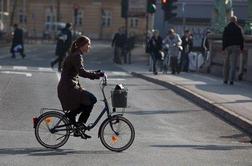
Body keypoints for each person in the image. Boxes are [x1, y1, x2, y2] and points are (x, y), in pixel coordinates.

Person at [57, 35, 104, 139]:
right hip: (68, 88)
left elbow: (80, 71)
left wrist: (96, 73)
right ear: (82, 45)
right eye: (88, 44)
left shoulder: (76, 54)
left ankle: (76, 123)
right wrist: (96, 76)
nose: (89, 47)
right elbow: (82, 72)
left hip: (69, 86)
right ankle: (77, 124)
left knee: (89, 100)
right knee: (91, 99)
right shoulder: (77, 56)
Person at [222, 15, 244, 85]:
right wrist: (241, 48)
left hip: (228, 47)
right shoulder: (238, 28)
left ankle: (225, 79)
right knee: (233, 65)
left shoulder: (226, 28)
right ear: (235, 21)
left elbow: (224, 39)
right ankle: (231, 80)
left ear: (230, 20)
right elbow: (241, 39)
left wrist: (223, 48)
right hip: (235, 47)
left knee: (226, 64)